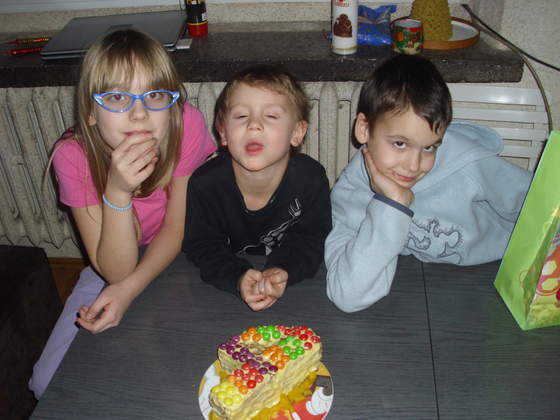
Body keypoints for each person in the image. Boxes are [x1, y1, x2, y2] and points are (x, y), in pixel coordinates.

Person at [29, 29, 216, 398]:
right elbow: (114, 270)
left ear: (172, 104)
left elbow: (176, 228)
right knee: (46, 383)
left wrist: (128, 290)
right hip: (113, 258)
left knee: (185, 367)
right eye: (116, 97)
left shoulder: (185, 123)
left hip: (181, 251)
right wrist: (117, 192)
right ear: (90, 112)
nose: (139, 113)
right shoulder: (72, 156)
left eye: (155, 95)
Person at [325, 54, 532, 313]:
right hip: (448, 289)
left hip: (512, 267)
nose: (414, 165)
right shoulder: (350, 194)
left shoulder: (466, 160)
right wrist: (392, 204)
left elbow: (540, 203)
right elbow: (348, 296)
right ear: (364, 129)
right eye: (400, 143)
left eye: (429, 147)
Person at [182, 65, 332, 311]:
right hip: (219, 297)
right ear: (223, 132)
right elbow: (203, 246)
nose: (254, 125)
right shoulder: (204, 184)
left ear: (297, 132)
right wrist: (237, 276)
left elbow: (311, 240)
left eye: (271, 116)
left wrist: (283, 269)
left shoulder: (311, 179)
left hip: (298, 295)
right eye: (241, 116)